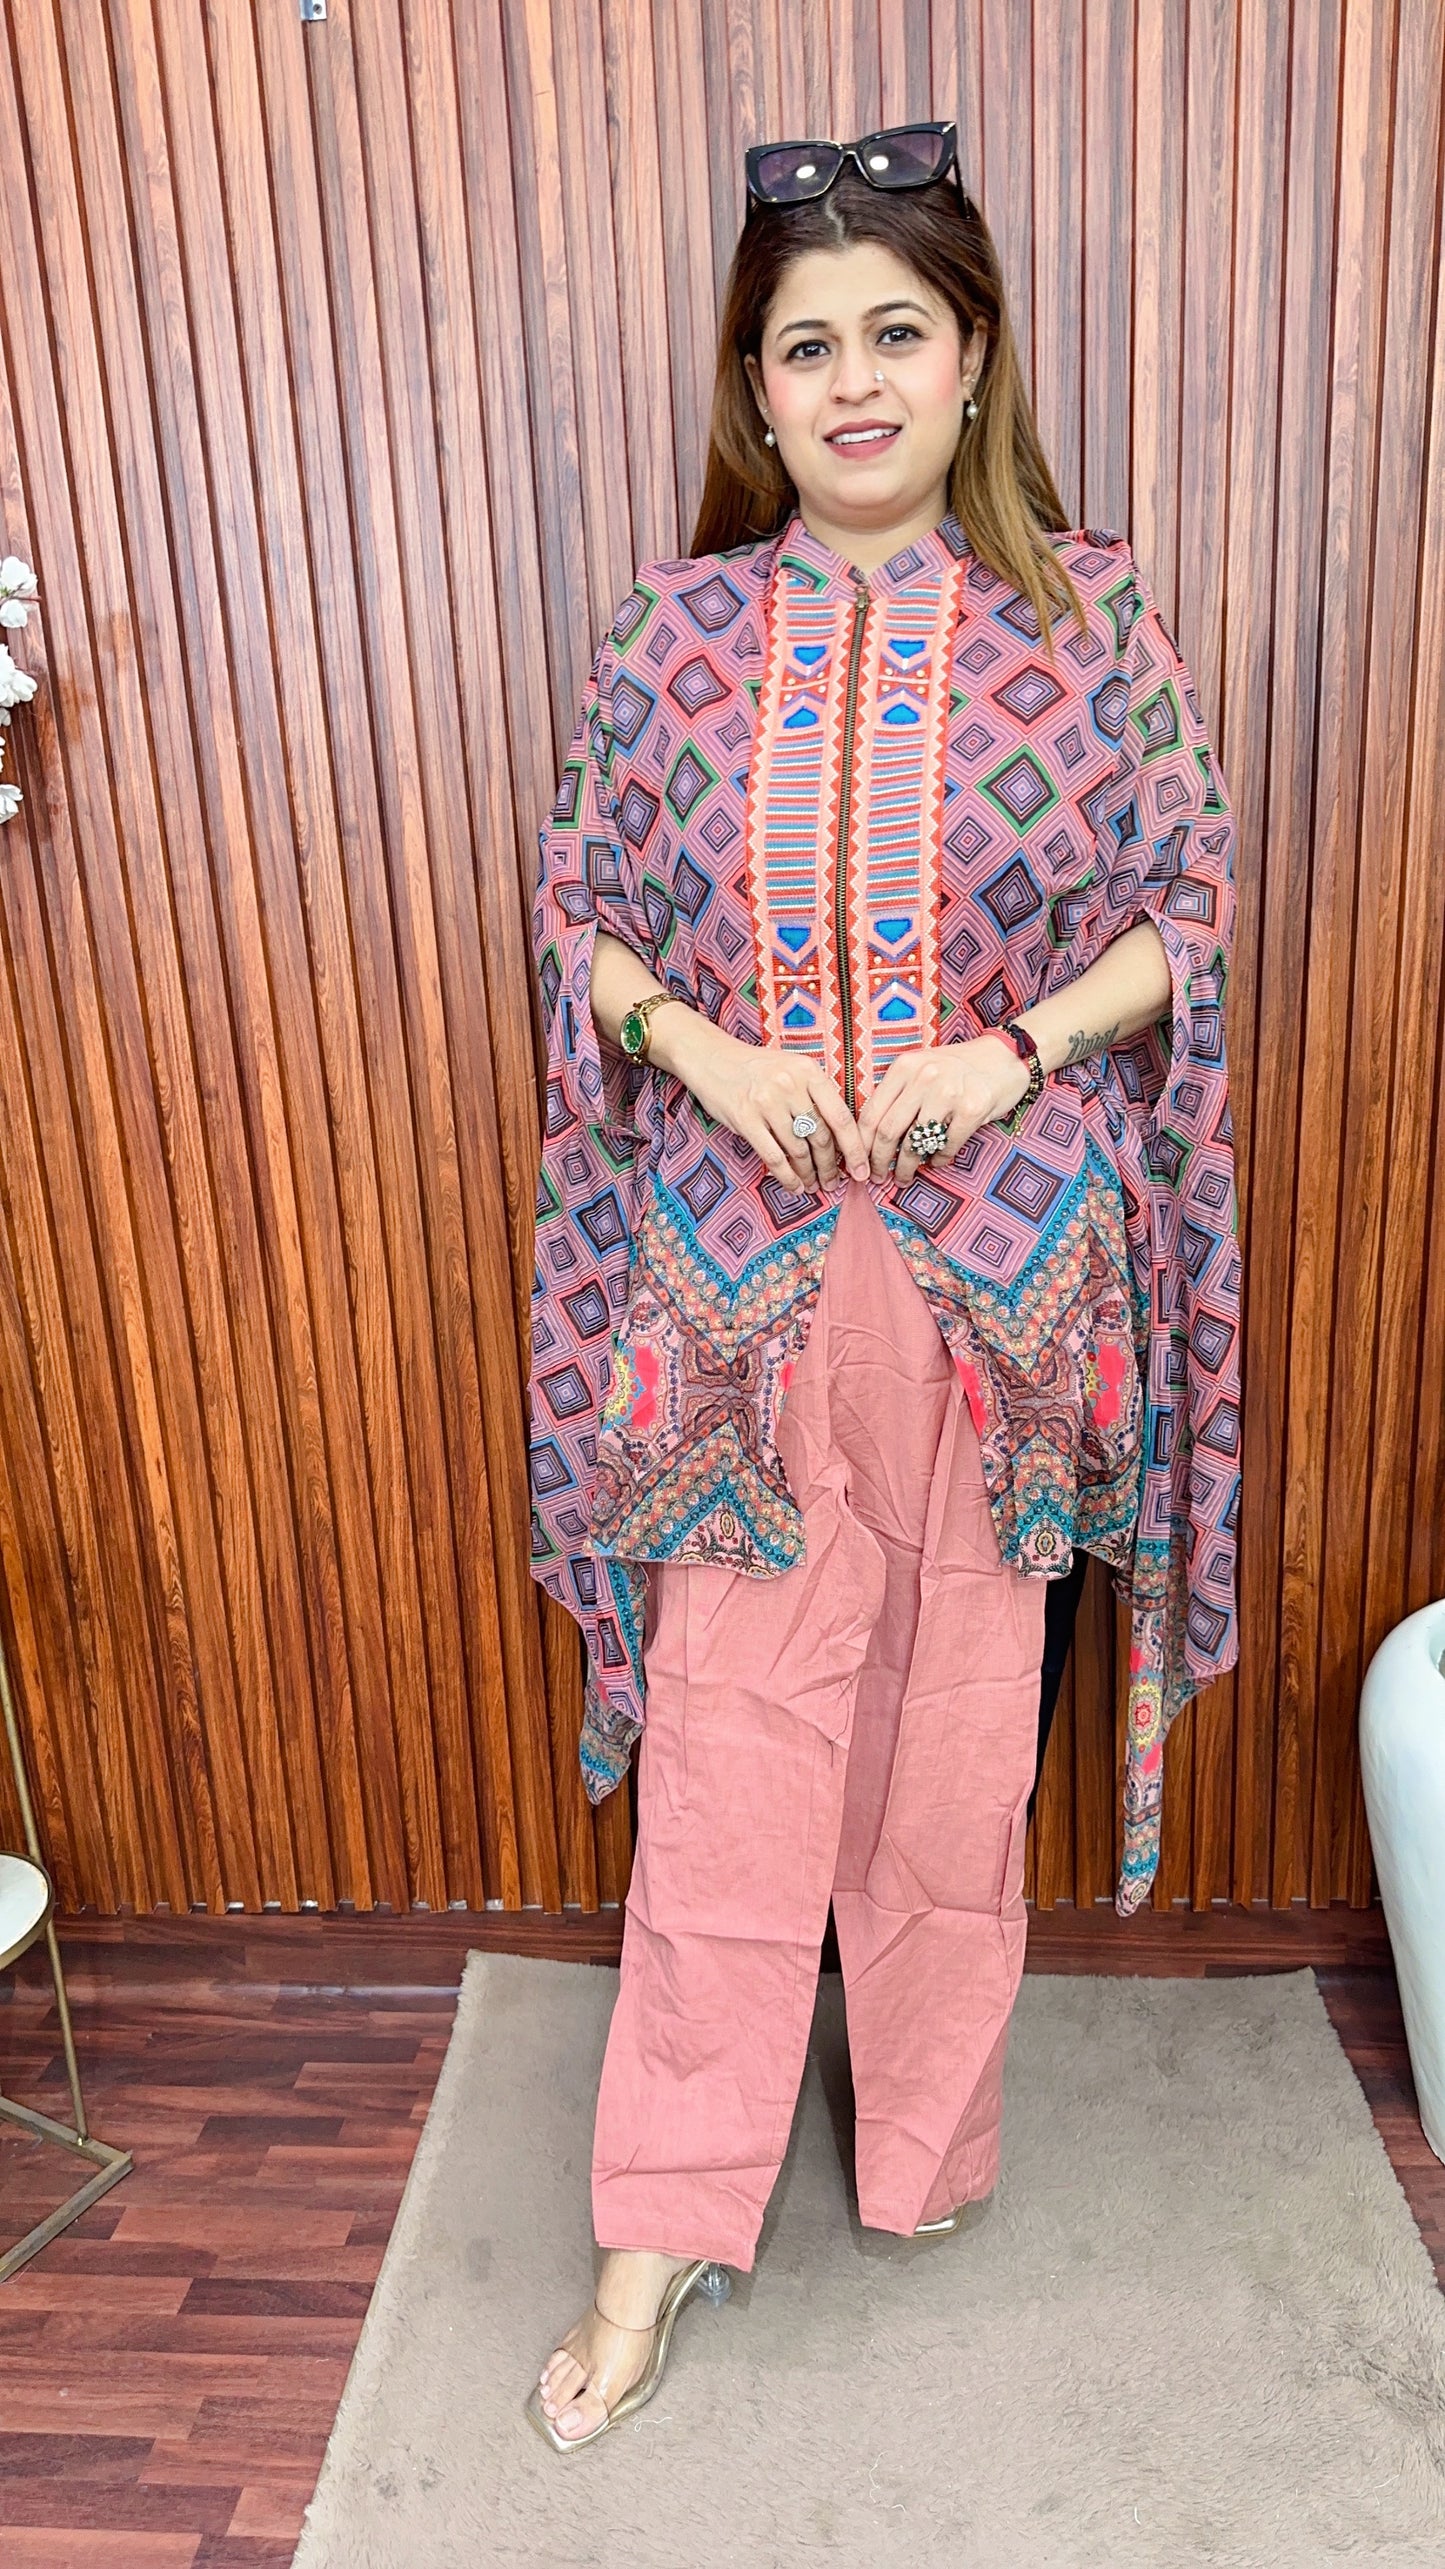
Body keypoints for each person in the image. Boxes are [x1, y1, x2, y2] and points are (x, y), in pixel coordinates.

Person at [523, 118, 1240, 2450]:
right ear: (756, 386)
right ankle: (657, 2226)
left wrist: (1005, 1049)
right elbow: (579, 917)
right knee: (734, 1753)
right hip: (737, 1278)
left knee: (954, 1736)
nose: (853, 381)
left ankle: (924, 2141)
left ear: (972, 357)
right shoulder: (671, 637)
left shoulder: (1092, 620)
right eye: (806, 343)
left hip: (1005, 1281)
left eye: (894, 332)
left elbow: (1189, 913)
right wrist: (701, 1044)